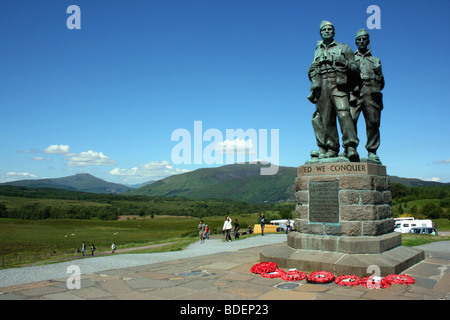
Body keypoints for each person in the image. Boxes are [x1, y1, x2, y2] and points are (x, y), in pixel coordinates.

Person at [308, 20, 360, 160]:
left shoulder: (344, 48)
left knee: (344, 114)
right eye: (324, 29)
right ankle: (332, 148)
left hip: (338, 84)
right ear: (320, 32)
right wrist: (310, 71)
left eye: (330, 29)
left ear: (334, 32)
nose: (327, 31)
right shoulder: (317, 50)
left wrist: (344, 62)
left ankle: (350, 147)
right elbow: (313, 69)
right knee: (327, 119)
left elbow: (356, 69)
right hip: (322, 85)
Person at [350, 28, 384, 163]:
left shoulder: (375, 60)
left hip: (371, 93)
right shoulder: (351, 58)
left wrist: (378, 74)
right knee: (350, 121)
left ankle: (372, 151)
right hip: (355, 93)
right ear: (356, 42)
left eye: (364, 39)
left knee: (373, 122)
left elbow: (382, 83)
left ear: (368, 41)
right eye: (359, 39)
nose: (361, 41)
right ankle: (351, 148)